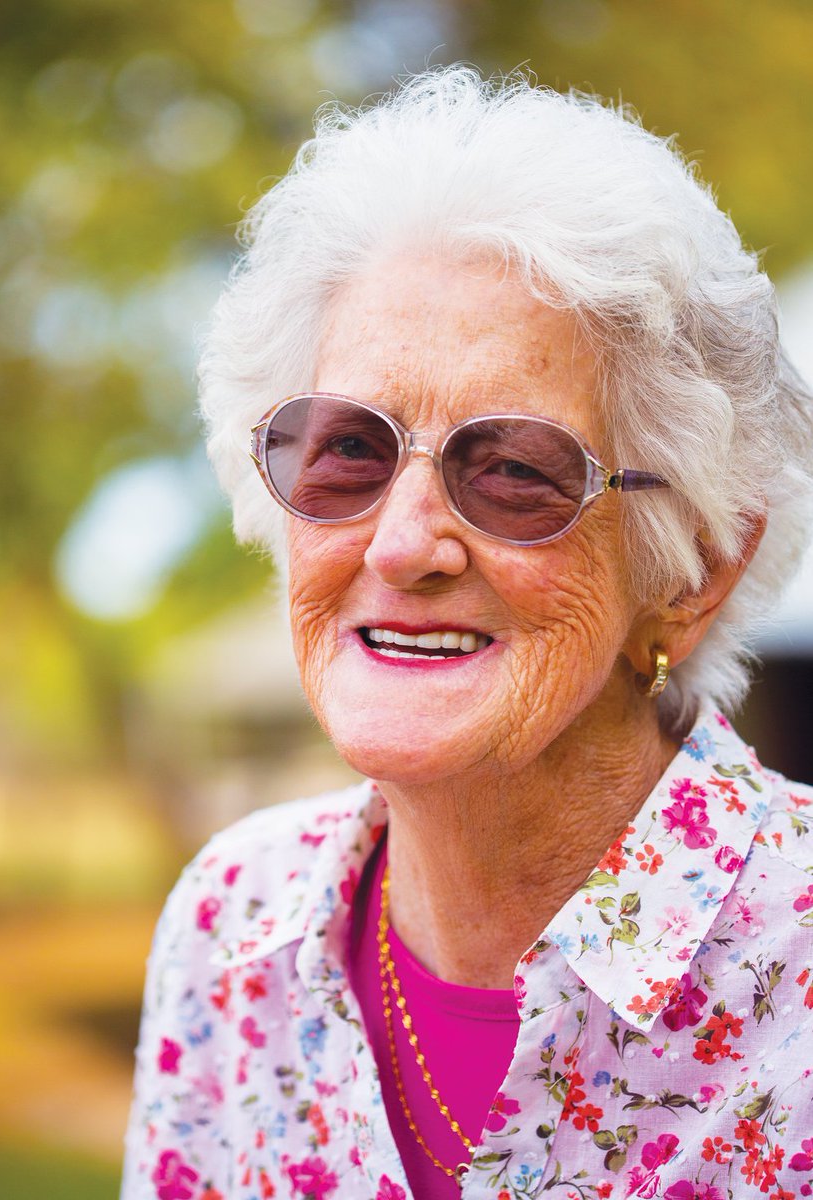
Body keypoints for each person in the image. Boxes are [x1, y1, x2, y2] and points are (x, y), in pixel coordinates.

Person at [121, 68, 813, 1199]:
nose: (401, 546)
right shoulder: (229, 925)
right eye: (345, 449)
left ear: (694, 568)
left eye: (512, 470)